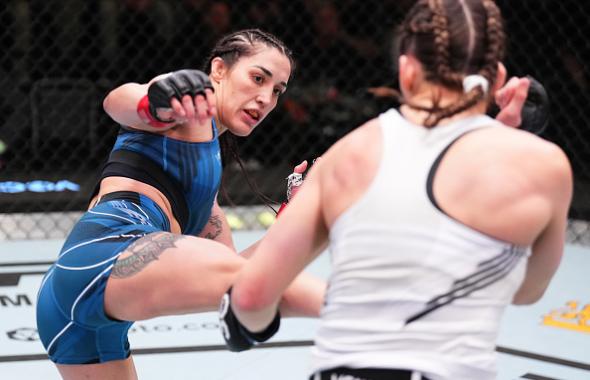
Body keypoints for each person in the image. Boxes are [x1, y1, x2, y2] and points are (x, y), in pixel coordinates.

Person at [220, 1, 573, 379]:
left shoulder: (350, 156)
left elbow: (251, 298)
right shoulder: (544, 167)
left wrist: (249, 322)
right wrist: (505, 146)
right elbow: (525, 291)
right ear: (497, 76)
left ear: (406, 72)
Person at [35, 29, 325, 380]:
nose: (265, 98)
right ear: (219, 69)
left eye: (277, 90)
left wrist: (296, 219)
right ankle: (388, 316)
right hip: (100, 257)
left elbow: (236, 276)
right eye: (258, 77)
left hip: (76, 314)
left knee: (249, 284)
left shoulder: (204, 187)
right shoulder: (186, 106)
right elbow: (119, 101)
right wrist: (154, 100)